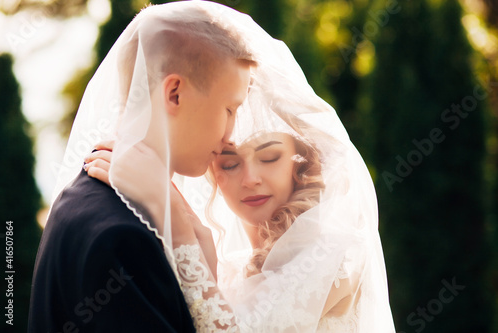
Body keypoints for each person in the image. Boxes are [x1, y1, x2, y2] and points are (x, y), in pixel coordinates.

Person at [85, 5, 396, 329]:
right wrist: (195, 231)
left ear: (300, 162)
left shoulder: (333, 252)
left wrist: (173, 216)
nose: (250, 179)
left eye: (270, 157)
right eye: (230, 164)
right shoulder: (232, 270)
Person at [28, 2, 255, 332]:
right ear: (174, 93)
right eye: (229, 109)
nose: (230, 135)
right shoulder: (122, 237)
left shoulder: (95, 200)